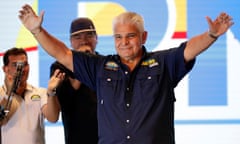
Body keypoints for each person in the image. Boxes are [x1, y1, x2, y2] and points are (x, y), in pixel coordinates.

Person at [19, 4, 234, 144]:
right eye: (118, 37)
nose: (124, 43)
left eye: (130, 36)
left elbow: (189, 49)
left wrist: (212, 34)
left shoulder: (162, 63)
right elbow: (62, 53)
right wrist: (37, 31)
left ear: (144, 36)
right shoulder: (100, 67)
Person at [50, 17, 98, 144]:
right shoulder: (59, 67)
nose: (84, 41)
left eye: (89, 35)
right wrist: (82, 60)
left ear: (96, 38)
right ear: (70, 41)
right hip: (76, 137)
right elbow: (62, 102)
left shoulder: (103, 63)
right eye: (78, 37)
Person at [0, 47, 60, 144]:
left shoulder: (40, 92)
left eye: (24, 64)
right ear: (5, 69)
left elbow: (53, 118)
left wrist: (51, 92)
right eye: (15, 65)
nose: (21, 69)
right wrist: (9, 94)